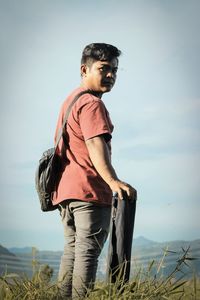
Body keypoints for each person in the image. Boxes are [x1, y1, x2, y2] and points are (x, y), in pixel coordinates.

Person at [53, 43, 136, 299]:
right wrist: (112, 180)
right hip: (88, 192)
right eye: (104, 68)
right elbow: (94, 142)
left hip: (66, 194)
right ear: (84, 69)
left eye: (115, 70)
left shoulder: (70, 100)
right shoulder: (91, 104)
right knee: (87, 253)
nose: (111, 75)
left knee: (73, 251)